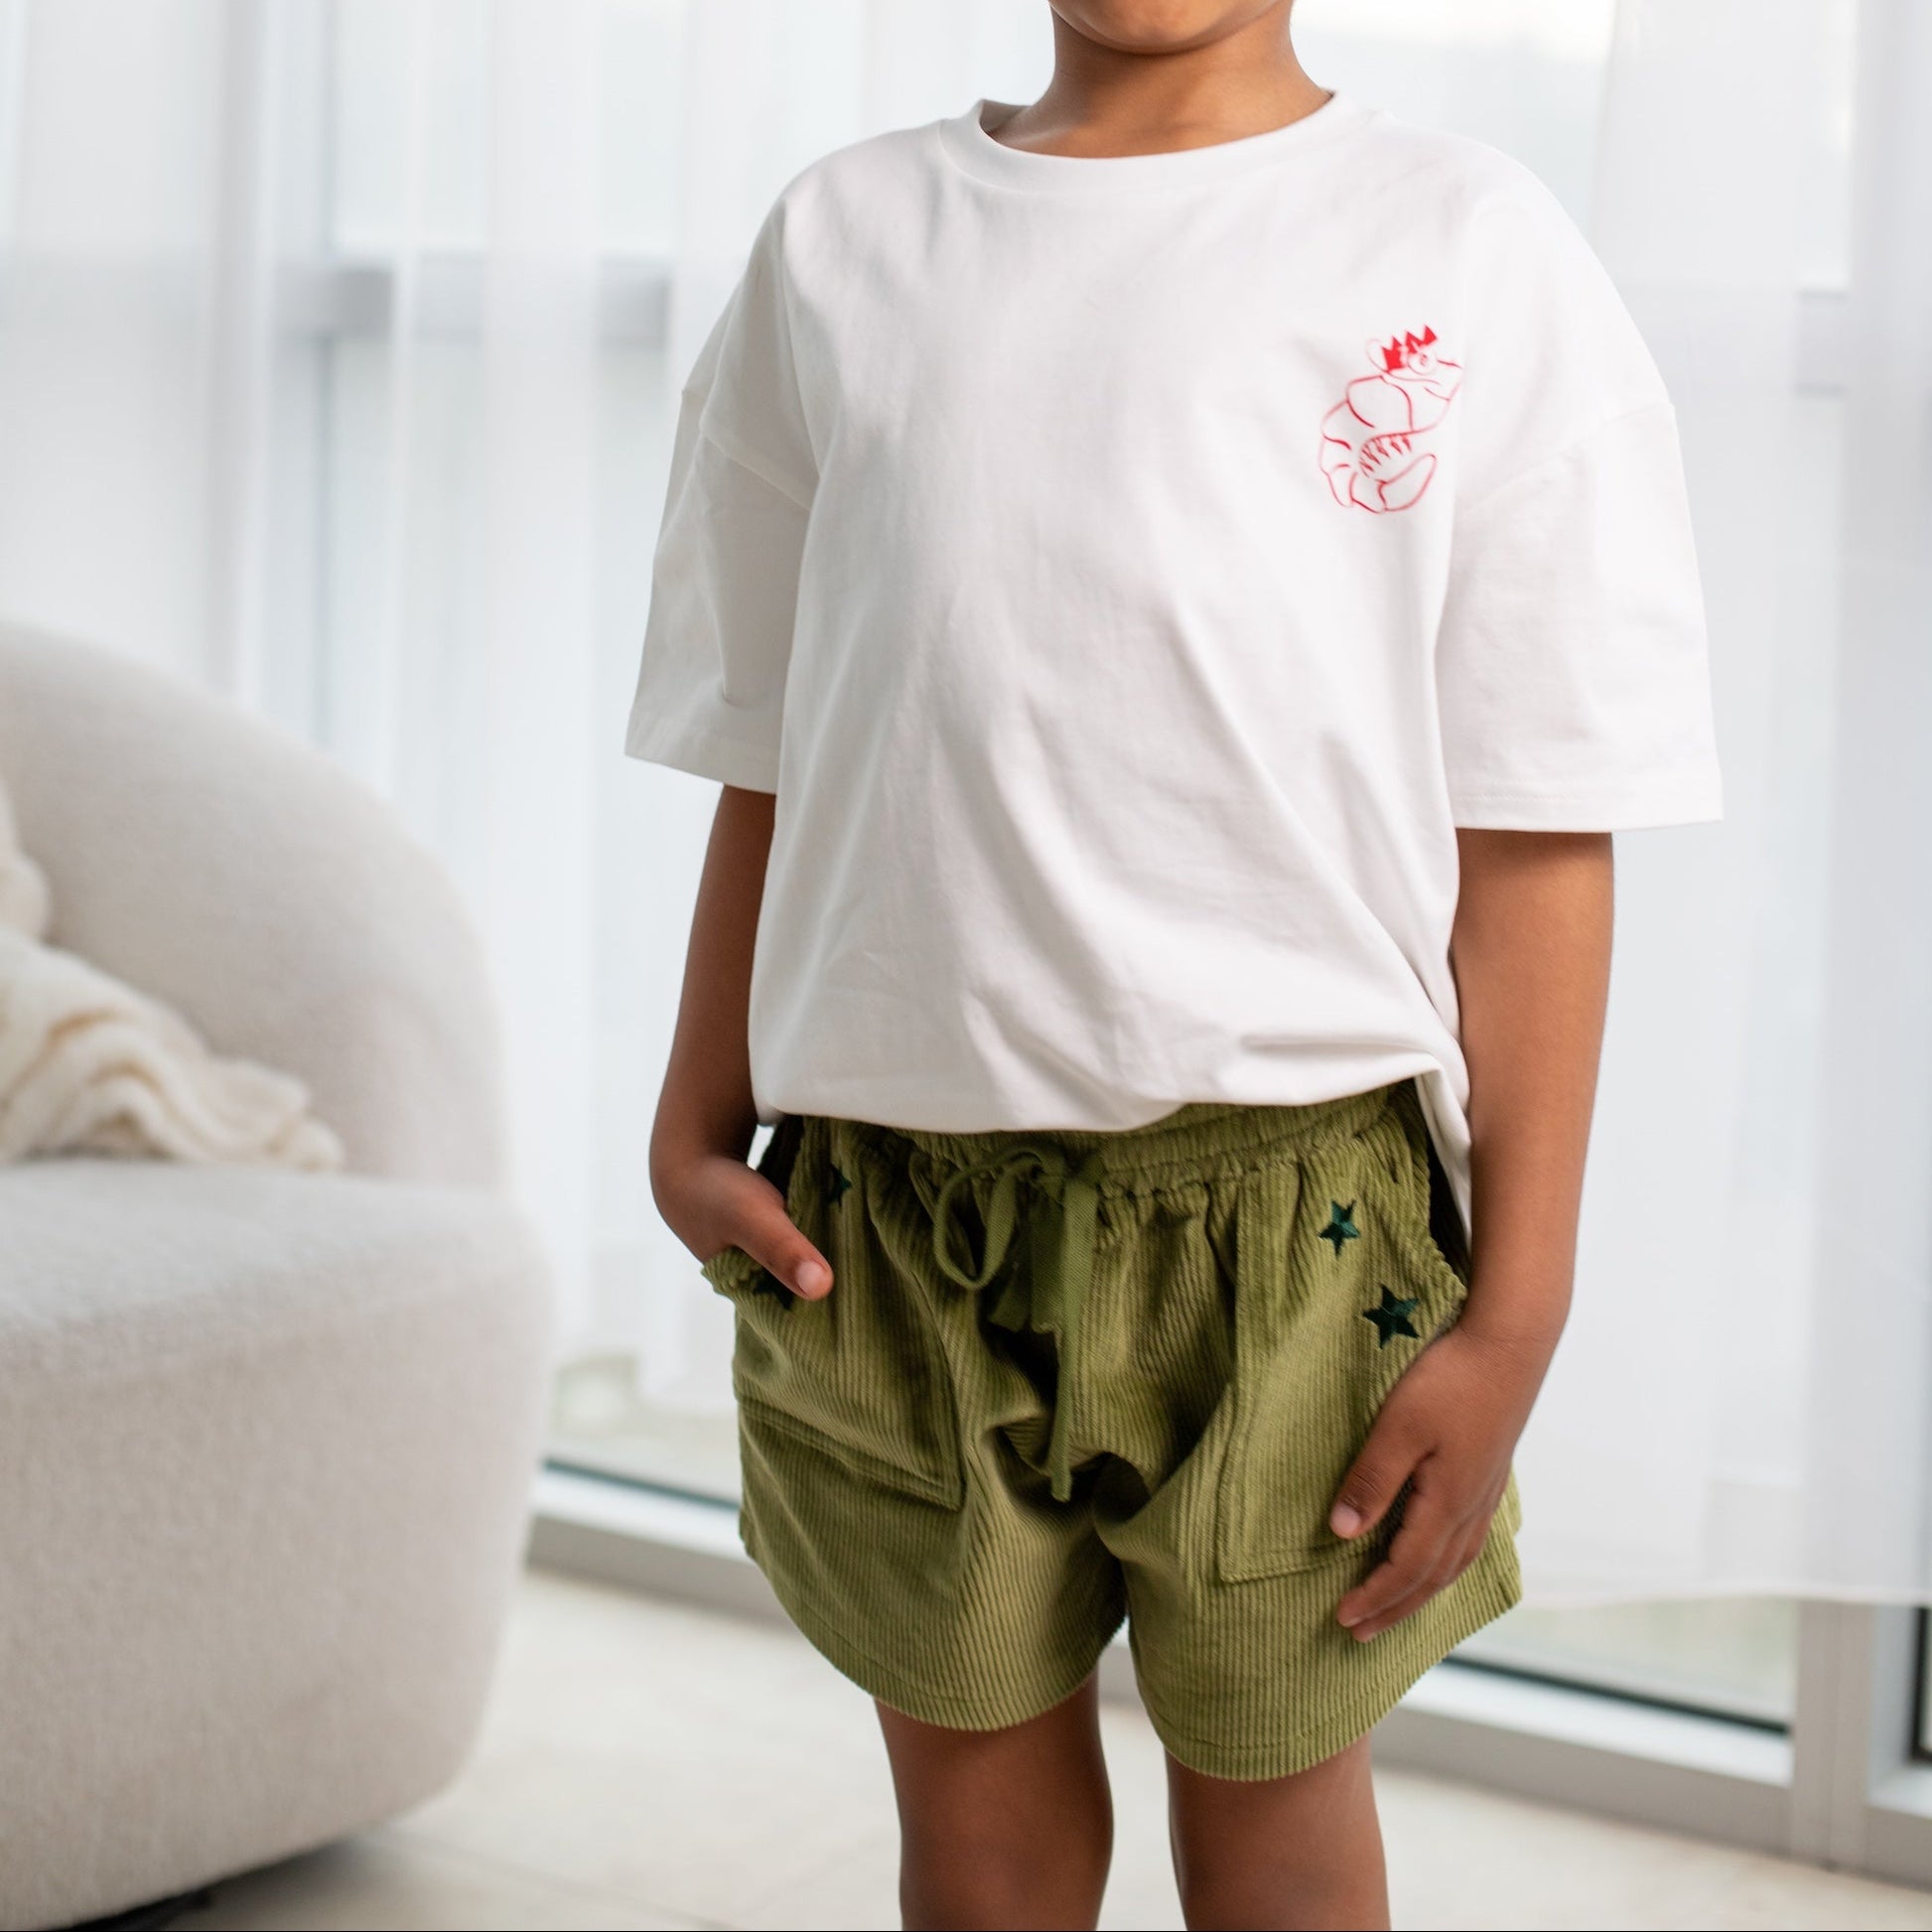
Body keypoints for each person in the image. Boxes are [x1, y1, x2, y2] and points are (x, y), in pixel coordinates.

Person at [627, 2, 1722, 1925]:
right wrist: (691, 1107)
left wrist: (1517, 1299)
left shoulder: (1464, 244)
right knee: (971, 1830)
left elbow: (1540, 821)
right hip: (890, 1216)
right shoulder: (841, 244)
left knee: (1279, 1822)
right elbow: (778, 742)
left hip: (1298, 1227)